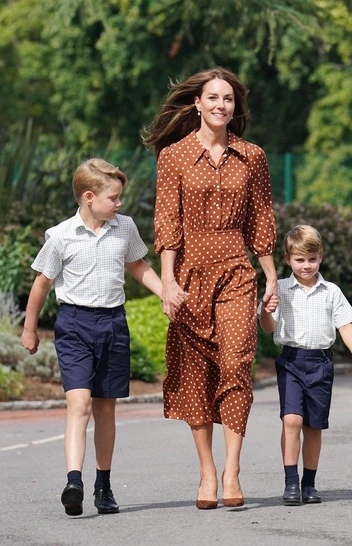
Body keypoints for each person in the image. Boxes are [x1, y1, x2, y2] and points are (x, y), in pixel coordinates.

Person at [143, 67, 278, 510]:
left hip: (238, 272)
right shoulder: (174, 157)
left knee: (237, 362)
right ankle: (205, 472)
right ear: (197, 104)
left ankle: (232, 469)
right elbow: (167, 223)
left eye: (228, 99)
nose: (221, 105)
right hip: (189, 275)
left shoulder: (252, 156)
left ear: (235, 107)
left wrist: (271, 275)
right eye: (213, 98)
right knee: (195, 374)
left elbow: (261, 218)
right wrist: (167, 282)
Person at [20, 158, 170, 516]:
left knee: (105, 409)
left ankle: (103, 485)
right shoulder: (60, 237)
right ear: (89, 197)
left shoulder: (125, 227)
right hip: (74, 326)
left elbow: (137, 265)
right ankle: (74, 481)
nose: (119, 204)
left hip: (113, 324)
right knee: (80, 405)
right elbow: (42, 283)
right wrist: (29, 328)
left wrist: (165, 292)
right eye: (114, 198)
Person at [258, 225, 352, 505]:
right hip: (291, 360)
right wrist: (266, 310)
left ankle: (309, 483)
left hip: (320, 362)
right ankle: (291, 482)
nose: (306, 266)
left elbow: (345, 325)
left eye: (312, 259)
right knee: (291, 419)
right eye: (299, 260)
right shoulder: (279, 289)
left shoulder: (331, 291)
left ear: (320, 257)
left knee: (313, 427)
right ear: (287, 259)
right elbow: (268, 327)